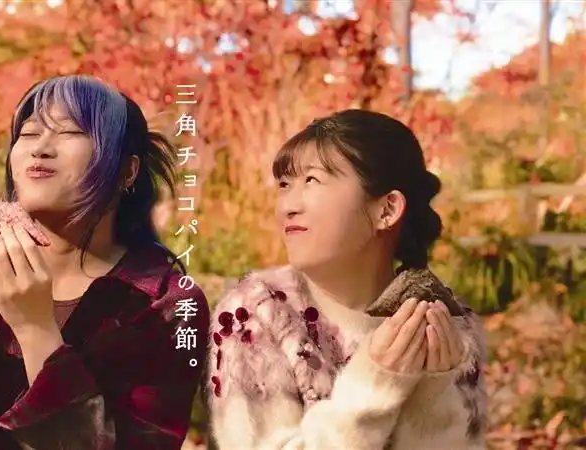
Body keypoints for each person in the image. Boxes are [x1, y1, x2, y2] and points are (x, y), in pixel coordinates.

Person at [0, 75, 209, 450]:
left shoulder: (164, 302)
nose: (40, 148)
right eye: (29, 134)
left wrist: (35, 329)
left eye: (70, 132)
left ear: (126, 171)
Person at [206, 110, 486, 450]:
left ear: (387, 210)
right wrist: (373, 388)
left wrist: (432, 402)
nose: (287, 207)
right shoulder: (256, 313)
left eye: (312, 180)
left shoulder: (450, 328)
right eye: (284, 185)